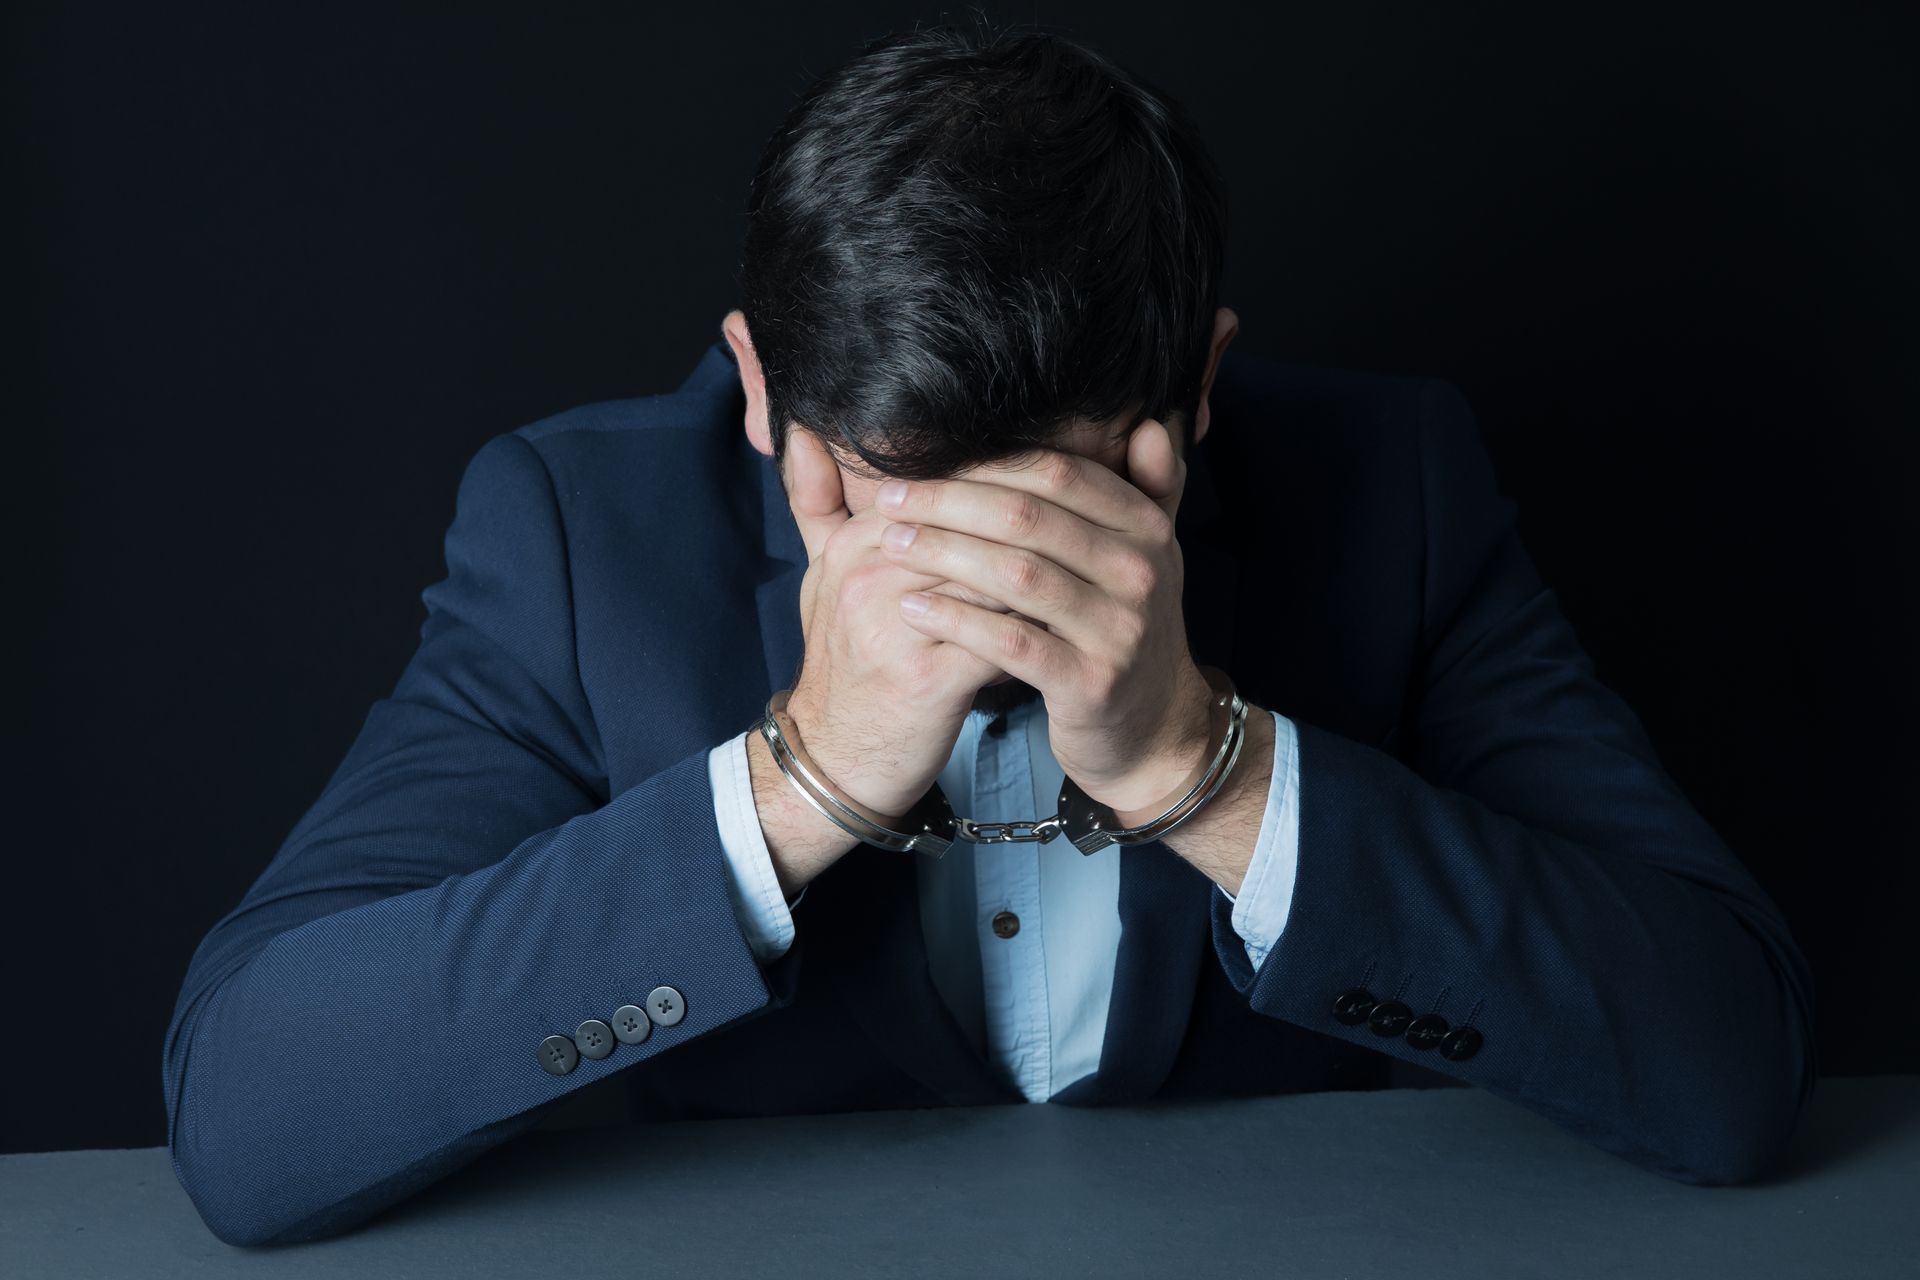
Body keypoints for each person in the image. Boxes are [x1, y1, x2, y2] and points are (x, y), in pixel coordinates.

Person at [161, 22, 1817, 1248]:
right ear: (762, 393)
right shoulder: (587, 535)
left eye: (1065, 492)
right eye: (904, 490)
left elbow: (1722, 1070)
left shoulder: (1396, 493)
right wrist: (797, 785)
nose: (987, 575)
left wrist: (1204, 769)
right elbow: (251, 1113)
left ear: (1201, 396)